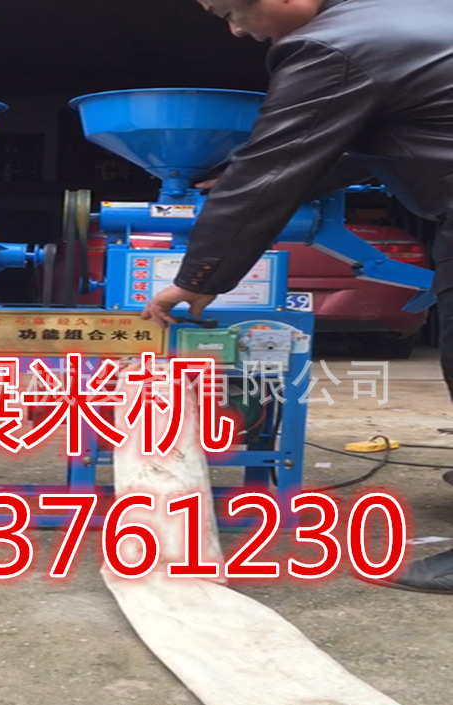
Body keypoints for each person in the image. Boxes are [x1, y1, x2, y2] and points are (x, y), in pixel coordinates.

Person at [141, 0, 453, 593]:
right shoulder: (399, 16)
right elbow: (362, 143)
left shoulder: (330, 46)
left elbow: (274, 168)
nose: (237, 30)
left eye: (232, 11)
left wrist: (198, 277)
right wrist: (249, 174)